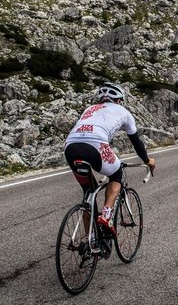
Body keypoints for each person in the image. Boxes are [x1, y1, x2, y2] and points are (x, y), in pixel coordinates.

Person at [64, 82, 155, 236]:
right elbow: (137, 143)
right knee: (116, 174)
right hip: (96, 144)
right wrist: (147, 160)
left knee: (89, 194)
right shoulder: (124, 112)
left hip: (70, 146)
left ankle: (90, 241)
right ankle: (106, 215)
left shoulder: (89, 109)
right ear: (119, 100)